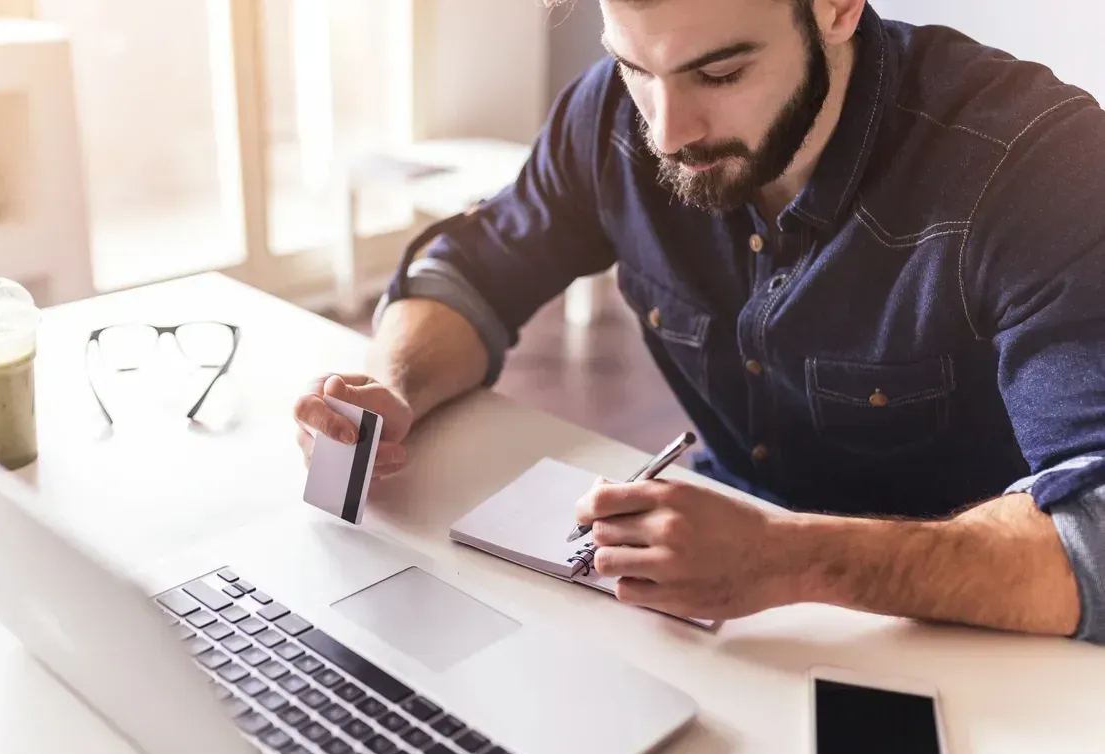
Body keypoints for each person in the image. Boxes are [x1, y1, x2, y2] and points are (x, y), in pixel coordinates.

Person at [293, 0, 1105, 644]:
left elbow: (1094, 534)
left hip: (973, 633)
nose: (668, 131)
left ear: (836, 7)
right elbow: (472, 267)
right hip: (716, 599)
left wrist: (792, 559)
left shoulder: (1037, 164)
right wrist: (393, 385)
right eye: (635, 66)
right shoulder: (614, 118)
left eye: (719, 73)